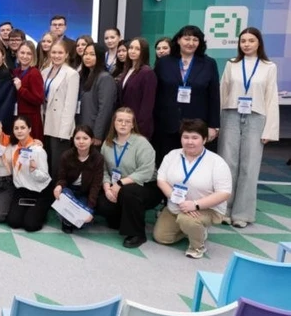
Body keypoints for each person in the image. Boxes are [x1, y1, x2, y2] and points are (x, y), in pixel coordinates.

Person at [218, 27, 279, 228]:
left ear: (259, 43)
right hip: (230, 115)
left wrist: (269, 130)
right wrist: (216, 124)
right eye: (243, 41)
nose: (246, 44)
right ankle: (224, 209)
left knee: (250, 166)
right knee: (227, 164)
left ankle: (242, 214)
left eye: (251, 40)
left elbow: (271, 98)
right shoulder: (232, 64)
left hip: (256, 117)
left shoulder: (269, 66)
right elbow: (222, 92)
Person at [153, 119, 232, 259]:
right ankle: (193, 229)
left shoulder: (216, 162)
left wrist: (195, 205)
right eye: (186, 137)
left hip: (206, 208)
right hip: (177, 205)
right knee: (162, 237)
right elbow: (161, 180)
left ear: (204, 139)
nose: (189, 142)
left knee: (188, 221)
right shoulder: (172, 155)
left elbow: (224, 193)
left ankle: (197, 246)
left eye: (195, 138)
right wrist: (178, 200)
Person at [94, 108, 160, 248]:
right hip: (117, 186)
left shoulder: (142, 143)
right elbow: (103, 170)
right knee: (101, 202)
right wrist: (107, 188)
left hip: (146, 186)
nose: (123, 124)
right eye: (120, 120)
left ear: (132, 125)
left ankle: (137, 234)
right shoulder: (107, 143)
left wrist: (119, 183)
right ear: (114, 123)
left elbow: (146, 172)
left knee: (128, 192)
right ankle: (122, 219)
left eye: (127, 121)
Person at [153, 25, 220, 163]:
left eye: (195, 39)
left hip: (196, 125)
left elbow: (214, 96)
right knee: (167, 162)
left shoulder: (209, 63)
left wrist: (213, 126)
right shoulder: (164, 63)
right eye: (187, 39)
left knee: (194, 163)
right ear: (178, 40)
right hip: (167, 124)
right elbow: (156, 93)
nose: (191, 43)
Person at [53, 125, 104, 233]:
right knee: (64, 195)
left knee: (84, 223)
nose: (81, 141)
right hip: (69, 190)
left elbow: (96, 186)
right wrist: (59, 186)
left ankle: (68, 220)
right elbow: (61, 178)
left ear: (92, 140)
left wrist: (89, 209)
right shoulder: (66, 156)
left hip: (84, 193)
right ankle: (67, 221)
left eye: (85, 138)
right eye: (78, 138)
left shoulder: (98, 158)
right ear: (73, 140)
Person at [6, 115, 52, 232]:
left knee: (30, 225)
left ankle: (42, 210)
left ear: (29, 129)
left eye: (23, 128)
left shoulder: (38, 150)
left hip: (38, 191)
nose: (19, 131)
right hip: (21, 190)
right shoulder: (14, 148)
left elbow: (45, 177)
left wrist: (33, 171)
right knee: (14, 222)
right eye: (16, 128)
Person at [42, 40, 80, 176]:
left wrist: (65, 131)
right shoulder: (45, 72)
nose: (56, 56)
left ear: (66, 54)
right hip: (46, 121)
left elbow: (70, 105)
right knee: (47, 161)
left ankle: (58, 188)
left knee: (57, 164)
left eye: (60, 53)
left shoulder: (71, 74)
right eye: (54, 52)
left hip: (60, 125)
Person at [76, 43, 117, 146]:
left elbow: (105, 110)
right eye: (85, 54)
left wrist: (97, 135)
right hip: (81, 128)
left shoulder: (105, 78)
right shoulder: (84, 76)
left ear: (99, 56)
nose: (87, 57)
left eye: (92, 54)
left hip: (94, 131)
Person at [118, 38, 157, 140]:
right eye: (131, 48)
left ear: (143, 52)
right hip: (125, 122)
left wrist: (139, 127)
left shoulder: (147, 72)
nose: (132, 51)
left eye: (137, 49)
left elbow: (147, 104)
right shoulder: (128, 70)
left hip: (138, 126)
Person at [13, 40, 45, 140]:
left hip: (30, 120)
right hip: (18, 117)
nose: (25, 56)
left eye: (29, 53)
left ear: (33, 56)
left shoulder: (34, 73)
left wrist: (21, 89)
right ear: (17, 53)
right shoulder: (16, 72)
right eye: (22, 52)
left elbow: (38, 99)